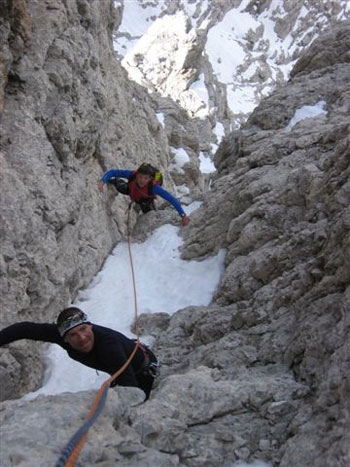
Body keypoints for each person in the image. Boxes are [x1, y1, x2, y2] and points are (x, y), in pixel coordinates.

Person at [0, 307, 159, 401]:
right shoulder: (61, 334)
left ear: (90, 326)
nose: (81, 337)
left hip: (144, 371)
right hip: (123, 366)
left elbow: (131, 390)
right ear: (65, 338)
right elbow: (25, 329)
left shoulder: (109, 348)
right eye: (73, 334)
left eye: (83, 329)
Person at [98, 163, 190, 226]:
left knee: (150, 217)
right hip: (131, 191)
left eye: (145, 178)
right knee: (118, 184)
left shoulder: (154, 187)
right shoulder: (131, 175)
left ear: (150, 179)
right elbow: (113, 172)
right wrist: (103, 181)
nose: (142, 180)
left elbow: (172, 199)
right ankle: (116, 181)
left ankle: (138, 207)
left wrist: (183, 216)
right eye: (140, 177)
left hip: (145, 201)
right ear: (136, 175)